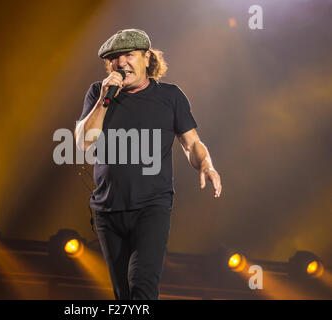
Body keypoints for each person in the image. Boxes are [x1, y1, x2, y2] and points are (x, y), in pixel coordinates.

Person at [74, 29, 222, 300]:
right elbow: (84, 142)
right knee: (123, 295)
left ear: (146, 58)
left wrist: (206, 164)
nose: (121, 63)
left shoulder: (170, 97)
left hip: (151, 207)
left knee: (142, 287)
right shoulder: (99, 93)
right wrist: (104, 100)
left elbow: (191, 143)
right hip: (108, 210)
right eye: (115, 58)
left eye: (129, 55)